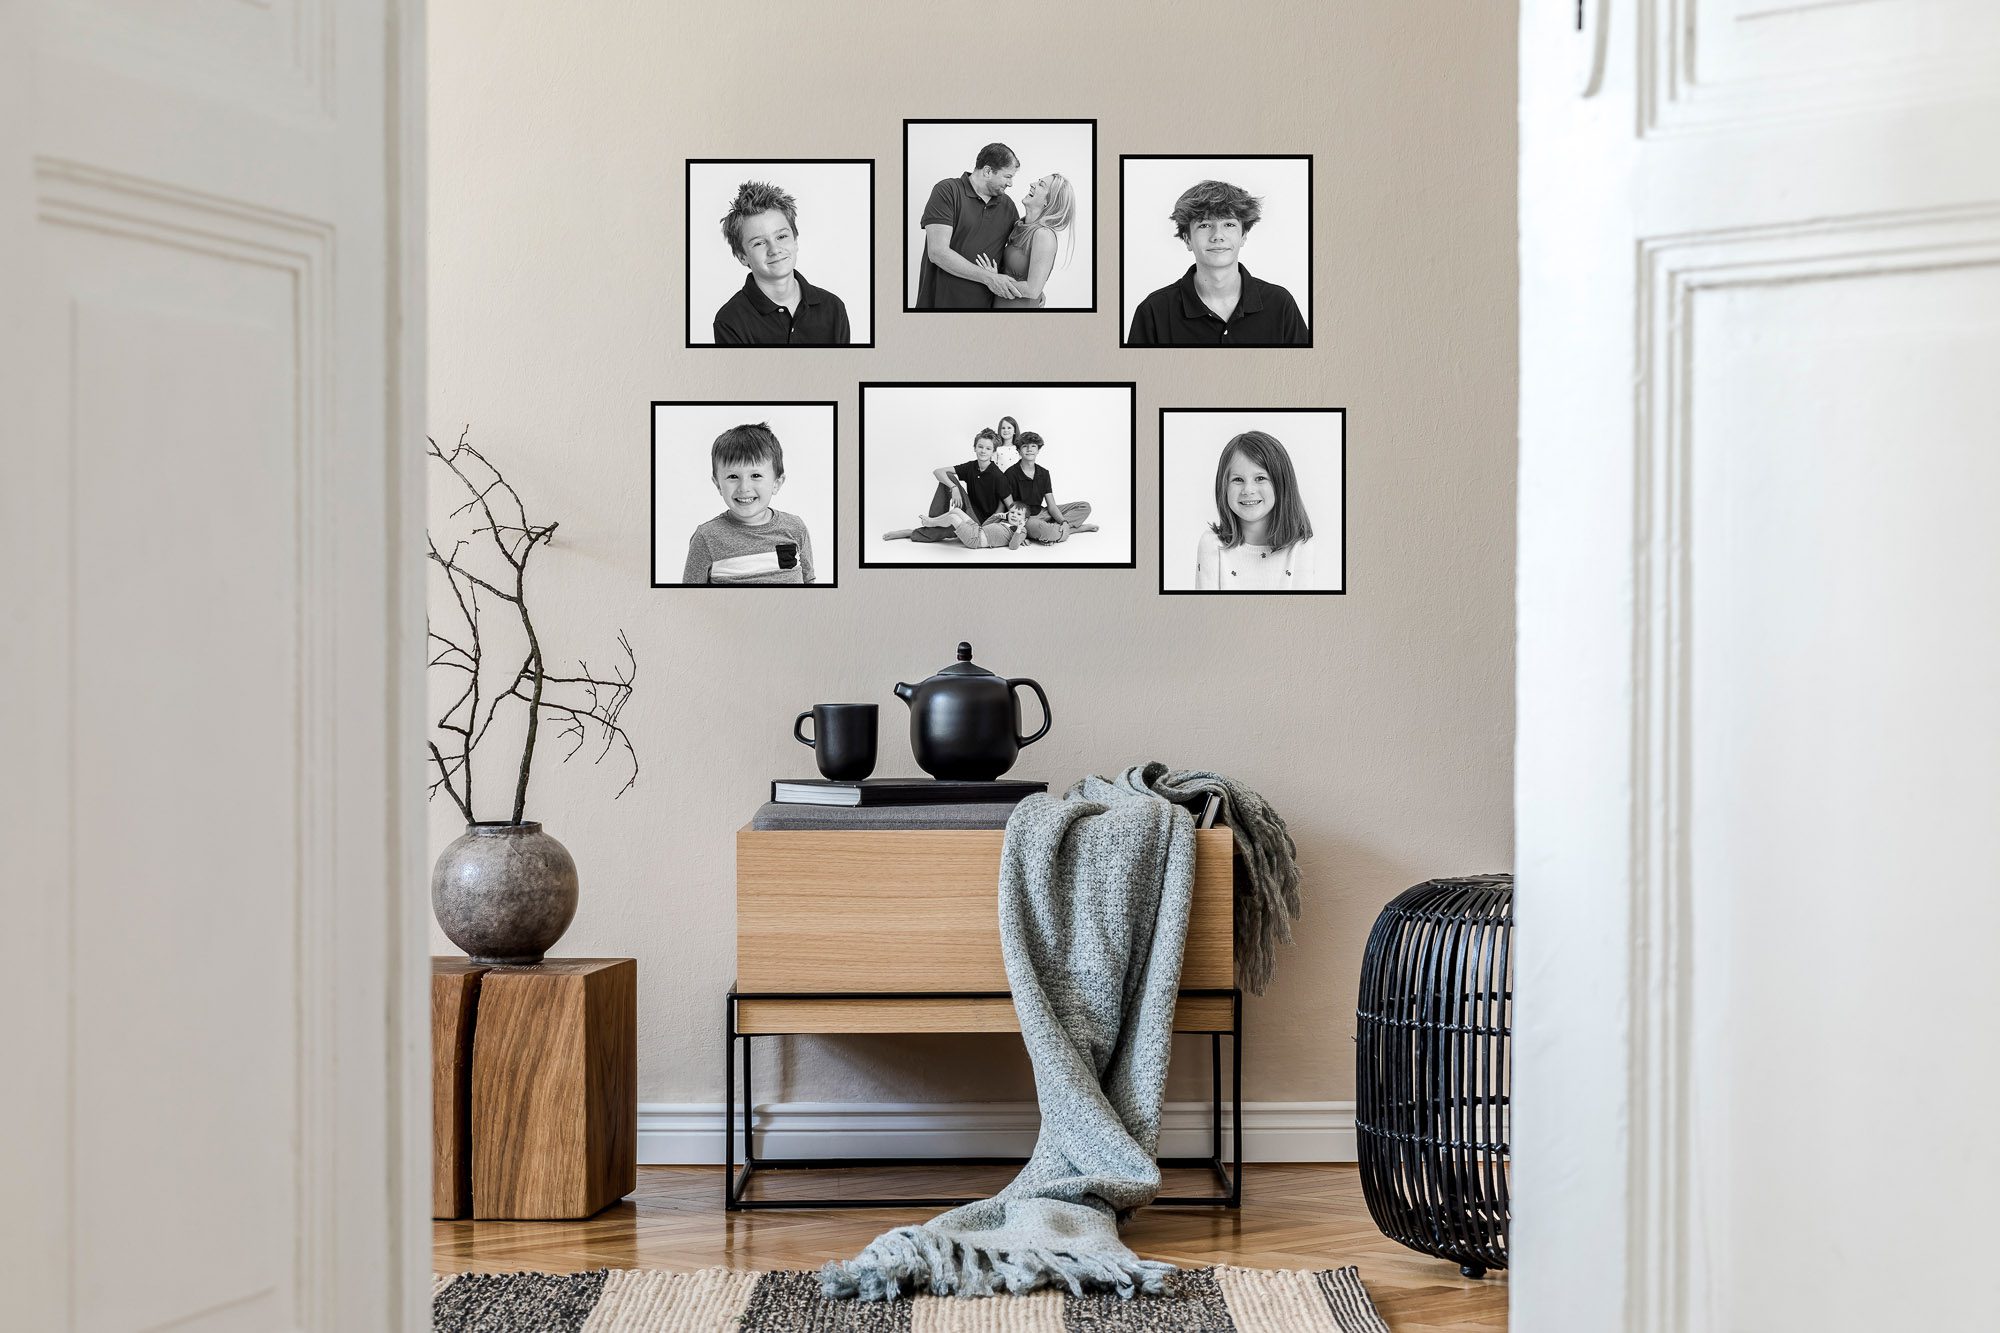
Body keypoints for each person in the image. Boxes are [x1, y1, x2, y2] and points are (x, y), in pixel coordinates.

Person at [1126, 180, 1309, 346]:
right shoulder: (1153, 311)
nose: (1217, 236)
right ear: (1187, 239)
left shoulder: (1280, 304)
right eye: (1204, 225)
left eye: (1229, 224)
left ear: (1243, 236)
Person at [711, 180, 851, 345]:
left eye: (781, 236)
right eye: (759, 243)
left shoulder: (833, 307)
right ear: (742, 257)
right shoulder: (730, 321)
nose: (774, 249)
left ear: (795, 240)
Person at [682, 423, 816, 584]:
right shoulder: (706, 537)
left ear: (776, 483)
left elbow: (809, 581)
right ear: (718, 485)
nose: (744, 488)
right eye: (733, 477)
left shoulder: (795, 528)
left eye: (756, 475)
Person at [1194, 430, 1315, 589]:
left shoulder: (1301, 547)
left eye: (1260, 478)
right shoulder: (1211, 544)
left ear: (1281, 484)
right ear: (1223, 487)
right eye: (1238, 479)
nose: (1248, 490)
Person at [915, 144, 1027, 309]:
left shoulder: (1007, 206)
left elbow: (1016, 254)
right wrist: (989, 278)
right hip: (939, 305)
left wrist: (1032, 287)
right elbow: (937, 252)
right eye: (1007, 176)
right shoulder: (948, 191)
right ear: (987, 171)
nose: (1010, 183)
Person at [975, 173, 1075, 310]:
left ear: (1049, 201)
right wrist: (994, 276)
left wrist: (993, 279)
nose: (1032, 184)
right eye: (1038, 181)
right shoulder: (1020, 225)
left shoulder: (1043, 235)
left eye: (1041, 185)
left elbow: (1033, 290)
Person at [1005, 431, 1098, 543]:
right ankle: (1072, 530)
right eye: (1025, 446)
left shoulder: (1044, 473)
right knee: (1047, 531)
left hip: (1042, 512)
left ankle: (1059, 529)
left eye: (1033, 446)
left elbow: (1052, 506)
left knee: (1084, 507)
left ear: (1038, 450)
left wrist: (1063, 522)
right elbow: (1010, 508)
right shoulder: (1010, 473)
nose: (1029, 449)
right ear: (1019, 450)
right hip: (1025, 519)